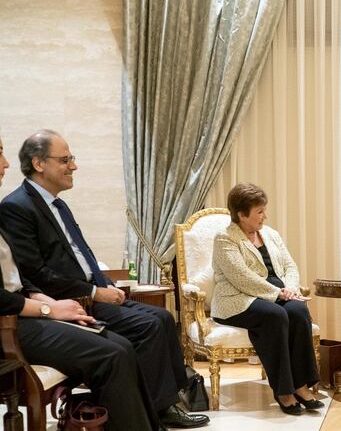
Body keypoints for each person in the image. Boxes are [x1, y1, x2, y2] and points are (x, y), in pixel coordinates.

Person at [0, 130, 209, 429]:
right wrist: (86, 295)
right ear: (39, 163)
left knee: (161, 318)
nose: (73, 166)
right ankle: (154, 410)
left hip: (53, 301)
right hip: (56, 304)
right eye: (65, 159)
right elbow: (34, 272)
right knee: (138, 334)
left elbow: (78, 256)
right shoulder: (16, 207)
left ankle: (162, 405)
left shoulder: (57, 205)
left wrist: (104, 283)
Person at [211, 183, 321, 415]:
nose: (265, 215)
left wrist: (290, 289)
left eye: (264, 209)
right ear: (241, 214)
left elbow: (290, 265)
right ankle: (283, 390)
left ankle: (300, 385)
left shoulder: (270, 234)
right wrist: (279, 294)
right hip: (238, 299)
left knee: (298, 310)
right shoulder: (225, 239)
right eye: (259, 211)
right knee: (275, 315)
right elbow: (242, 278)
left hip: (277, 292)